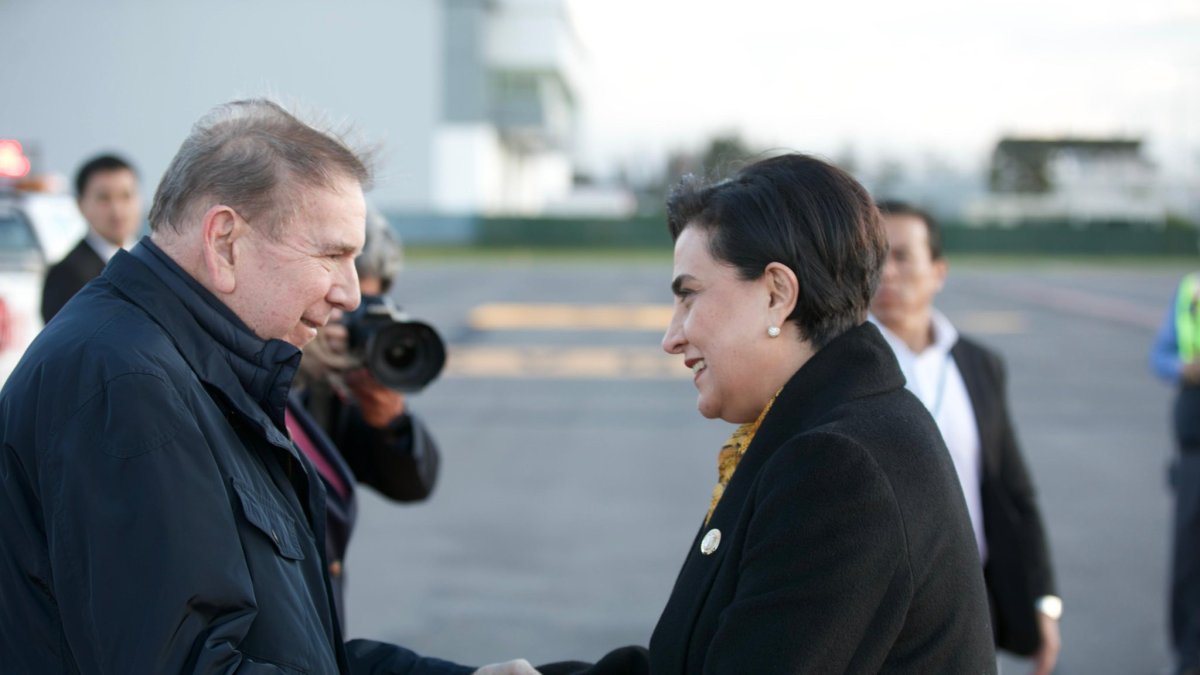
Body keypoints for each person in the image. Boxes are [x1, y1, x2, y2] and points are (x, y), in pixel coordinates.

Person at [0, 98, 533, 675]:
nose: (351, 294)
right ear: (225, 241)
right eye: (333, 255)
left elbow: (288, 650)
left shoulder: (194, 363)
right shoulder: (127, 385)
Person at [540, 154, 995, 674]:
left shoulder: (837, 467)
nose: (672, 337)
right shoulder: (834, 427)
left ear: (777, 295)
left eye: (689, 295)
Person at [868, 200, 1061, 674]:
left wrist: (1044, 600)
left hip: (969, 603)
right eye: (873, 258)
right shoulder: (835, 367)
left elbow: (1014, 490)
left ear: (938, 271)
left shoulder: (978, 364)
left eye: (901, 256)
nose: (886, 273)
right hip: (873, 607)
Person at [288, 216, 442, 627]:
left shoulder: (338, 386)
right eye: (340, 304)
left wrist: (390, 417)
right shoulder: (276, 363)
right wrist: (295, 362)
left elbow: (413, 484)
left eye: (368, 308)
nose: (350, 311)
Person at [1151, 267, 1200, 675]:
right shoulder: (1190, 289)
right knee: (1189, 562)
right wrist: (1184, 369)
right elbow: (1161, 354)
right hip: (1195, 448)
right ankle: (1187, 658)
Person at [41, 152, 142, 322]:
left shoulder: (150, 263)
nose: (117, 210)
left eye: (126, 196)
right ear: (80, 205)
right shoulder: (65, 275)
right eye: (104, 198)